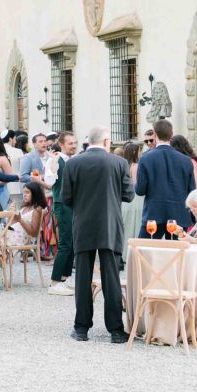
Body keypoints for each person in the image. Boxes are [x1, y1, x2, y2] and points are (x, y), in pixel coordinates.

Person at [60, 127, 133, 343]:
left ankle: (81, 328)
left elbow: (66, 197)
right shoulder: (119, 163)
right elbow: (128, 195)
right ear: (106, 141)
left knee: (82, 277)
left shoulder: (73, 163)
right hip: (109, 224)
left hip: (83, 223)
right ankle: (116, 330)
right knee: (111, 277)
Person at [134, 119, 195, 242]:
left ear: (155, 134)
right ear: (171, 134)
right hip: (179, 214)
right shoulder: (186, 160)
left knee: (143, 250)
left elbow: (140, 190)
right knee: (177, 253)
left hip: (153, 214)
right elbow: (192, 191)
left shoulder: (145, 159)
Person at [45, 131, 79, 294]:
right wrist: (53, 161)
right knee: (65, 243)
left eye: (75, 143)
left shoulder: (76, 160)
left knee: (72, 243)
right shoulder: (55, 160)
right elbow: (49, 181)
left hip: (75, 204)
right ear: (61, 144)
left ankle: (64, 278)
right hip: (62, 204)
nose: (74, 146)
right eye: (70, 143)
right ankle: (55, 282)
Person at [117, 140, 144, 252]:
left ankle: (124, 252)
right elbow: (138, 184)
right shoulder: (137, 166)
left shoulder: (122, 166)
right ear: (135, 152)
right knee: (136, 226)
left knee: (126, 227)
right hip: (137, 199)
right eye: (139, 151)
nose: (141, 153)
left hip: (125, 201)